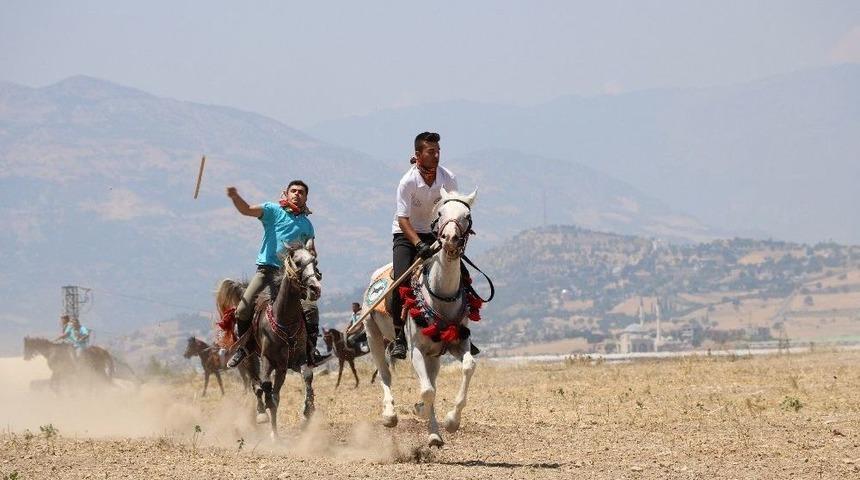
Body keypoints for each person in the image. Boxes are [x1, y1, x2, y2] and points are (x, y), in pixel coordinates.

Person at [225, 180, 330, 368]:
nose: (297, 194)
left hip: (291, 277)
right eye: (293, 191)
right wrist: (235, 197)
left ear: (306, 198)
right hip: (266, 271)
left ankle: (311, 351)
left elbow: (311, 249)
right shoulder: (272, 210)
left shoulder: (307, 225)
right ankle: (245, 347)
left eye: (301, 192)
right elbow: (246, 210)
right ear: (286, 193)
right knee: (242, 310)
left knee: (310, 309)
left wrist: (311, 258)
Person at [387, 132, 457, 359]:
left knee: (459, 274)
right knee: (401, 281)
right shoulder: (407, 182)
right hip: (406, 235)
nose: (436, 155)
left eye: (438, 151)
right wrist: (418, 244)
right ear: (418, 154)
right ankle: (399, 336)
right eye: (431, 151)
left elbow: (452, 210)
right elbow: (403, 219)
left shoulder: (448, 178)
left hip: (436, 233)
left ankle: (460, 329)